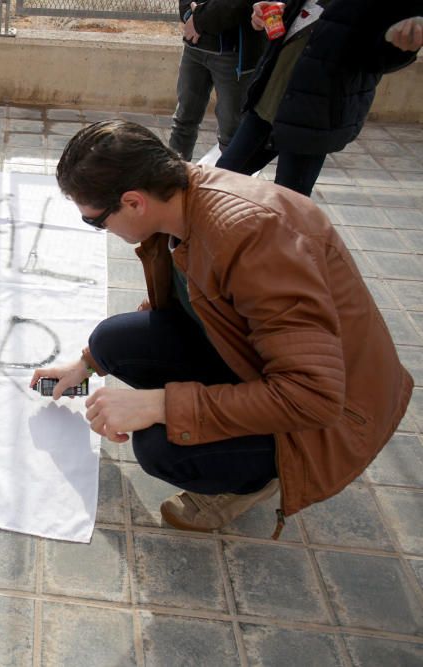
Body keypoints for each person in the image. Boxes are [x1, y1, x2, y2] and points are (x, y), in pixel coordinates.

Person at [33, 120, 411, 535]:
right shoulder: (179, 202)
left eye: (96, 221)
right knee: (110, 341)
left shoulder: (250, 236)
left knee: (162, 447)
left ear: (134, 202)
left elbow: (314, 397)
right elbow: (194, 304)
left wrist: (160, 405)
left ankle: (256, 479)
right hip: (257, 359)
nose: (100, 230)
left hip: (330, 418)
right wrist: (86, 365)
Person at [216, 0, 423, 196]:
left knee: (287, 206)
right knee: (219, 182)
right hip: (269, 100)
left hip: (314, 116)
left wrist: (400, 47)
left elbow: (377, 58)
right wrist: (270, 10)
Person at [169, 0, 263, 161]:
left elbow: (236, 5)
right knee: (183, 121)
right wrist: (189, 16)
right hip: (194, 46)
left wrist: (198, 20)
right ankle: (172, 179)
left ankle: (227, 182)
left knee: (231, 132)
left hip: (232, 55)